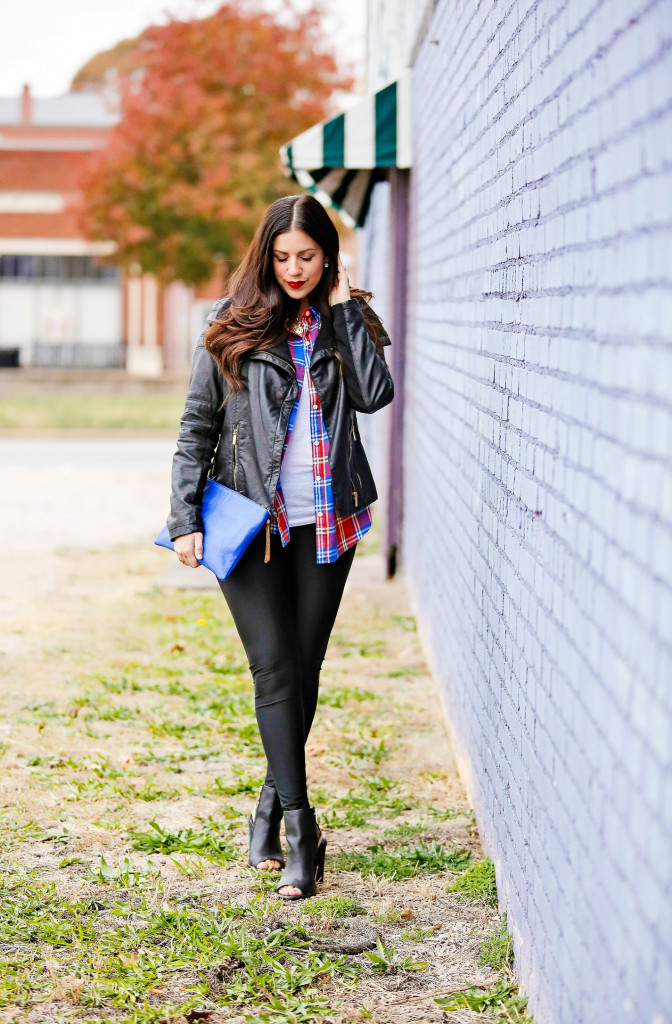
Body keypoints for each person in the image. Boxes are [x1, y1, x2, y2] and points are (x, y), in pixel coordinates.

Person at [166, 193, 394, 899]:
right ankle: (302, 828)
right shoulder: (229, 325)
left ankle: (268, 804)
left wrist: (343, 306)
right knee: (274, 669)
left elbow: (376, 396)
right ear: (265, 256)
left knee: (304, 666)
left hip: (328, 521)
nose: (294, 269)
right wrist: (183, 517)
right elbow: (196, 425)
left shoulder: (345, 320)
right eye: (282, 256)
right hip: (250, 524)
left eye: (308, 256)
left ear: (327, 256)